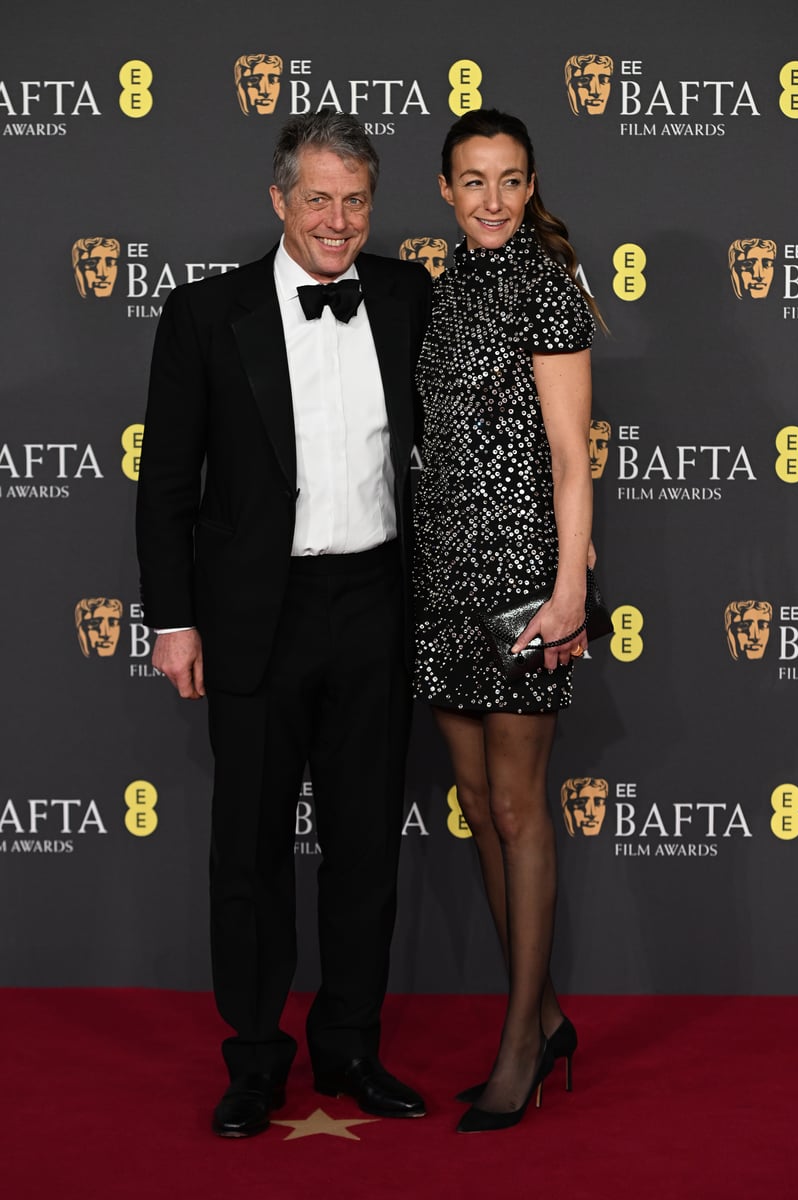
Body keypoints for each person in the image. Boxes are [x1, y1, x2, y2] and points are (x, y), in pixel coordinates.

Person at [136, 112, 431, 1138]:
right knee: (247, 851)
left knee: (364, 848)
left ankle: (348, 1048)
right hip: (254, 615)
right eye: (317, 198)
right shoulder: (204, 313)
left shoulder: (405, 296)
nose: (337, 220)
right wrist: (171, 622)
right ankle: (255, 1060)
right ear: (278, 201)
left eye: (354, 199)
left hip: (375, 607)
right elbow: (166, 486)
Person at [413, 108, 601, 1133]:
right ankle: (549, 1014)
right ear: (444, 189)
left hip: (524, 581)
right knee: (479, 807)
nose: (492, 199)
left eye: (510, 179)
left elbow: (571, 458)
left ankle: (521, 1041)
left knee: (520, 809)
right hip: (439, 579)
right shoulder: (439, 292)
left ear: (531, 187)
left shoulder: (540, 284)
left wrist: (570, 589)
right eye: (473, 180)